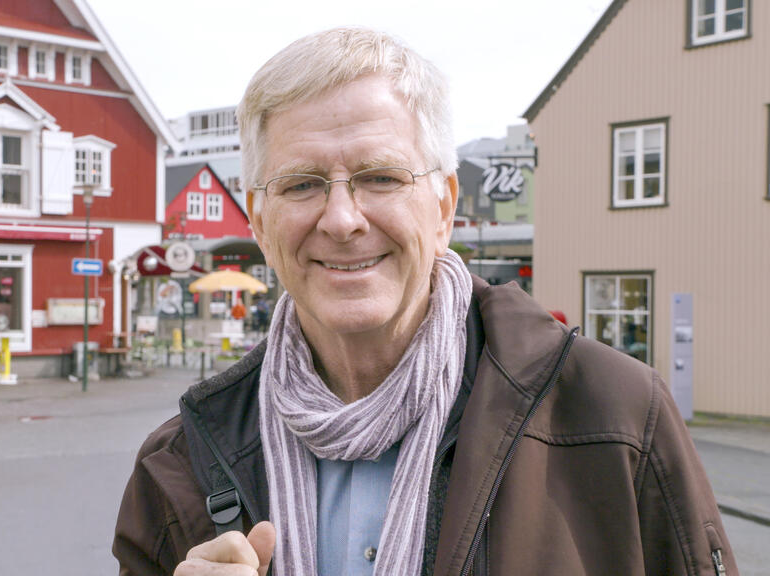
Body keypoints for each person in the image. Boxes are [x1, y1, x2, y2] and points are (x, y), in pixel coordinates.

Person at [113, 27, 736, 576]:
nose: (341, 218)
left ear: (444, 206)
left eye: (380, 177)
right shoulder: (179, 464)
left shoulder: (615, 416)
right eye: (301, 184)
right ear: (258, 221)